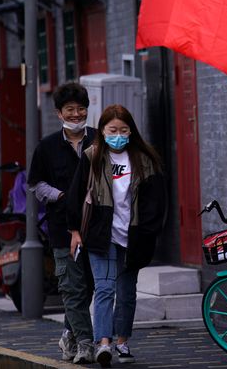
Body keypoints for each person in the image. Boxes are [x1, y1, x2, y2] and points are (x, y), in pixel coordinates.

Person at [67, 104, 167, 367]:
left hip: (134, 236)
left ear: (131, 131)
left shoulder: (145, 160)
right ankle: (104, 343)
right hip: (101, 235)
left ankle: (122, 341)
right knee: (104, 288)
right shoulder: (93, 156)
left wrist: (149, 233)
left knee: (126, 293)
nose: (118, 135)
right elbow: (76, 195)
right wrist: (75, 231)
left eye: (123, 130)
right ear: (102, 130)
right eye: (112, 130)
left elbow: (157, 202)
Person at [27, 82, 96, 364]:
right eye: (70, 110)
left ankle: (68, 333)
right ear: (59, 113)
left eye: (81, 109)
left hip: (96, 228)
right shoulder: (47, 147)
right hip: (61, 230)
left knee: (90, 286)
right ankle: (85, 343)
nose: (77, 115)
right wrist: (62, 197)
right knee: (71, 286)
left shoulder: (98, 140)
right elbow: (36, 184)